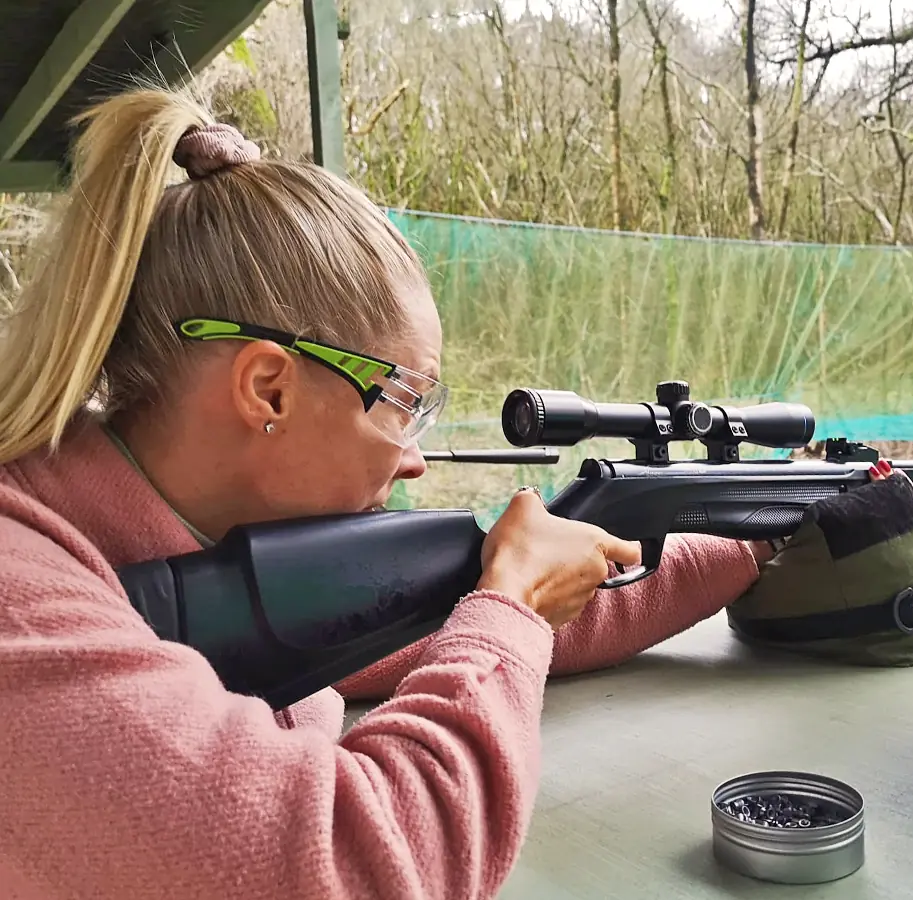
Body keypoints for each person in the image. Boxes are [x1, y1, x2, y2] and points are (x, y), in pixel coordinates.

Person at [0, 86, 827, 899]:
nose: (415, 462)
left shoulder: (175, 541)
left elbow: (476, 618)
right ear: (269, 391)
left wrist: (757, 537)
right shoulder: (23, 609)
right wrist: (516, 608)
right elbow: (353, 861)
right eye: (405, 405)